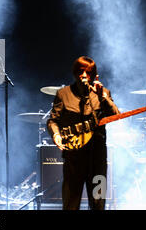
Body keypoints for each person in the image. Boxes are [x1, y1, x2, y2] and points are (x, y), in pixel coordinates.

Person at [46, 56, 120, 210]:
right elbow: (53, 120)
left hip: (97, 159)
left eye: (88, 72)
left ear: (93, 75)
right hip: (74, 159)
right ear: (75, 73)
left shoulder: (103, 93)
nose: (84, 75)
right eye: (81, 71)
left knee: (98, 203)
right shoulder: (63, 94)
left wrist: (103, 97)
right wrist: (56, 135)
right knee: (71, 204)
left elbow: (116, 116)